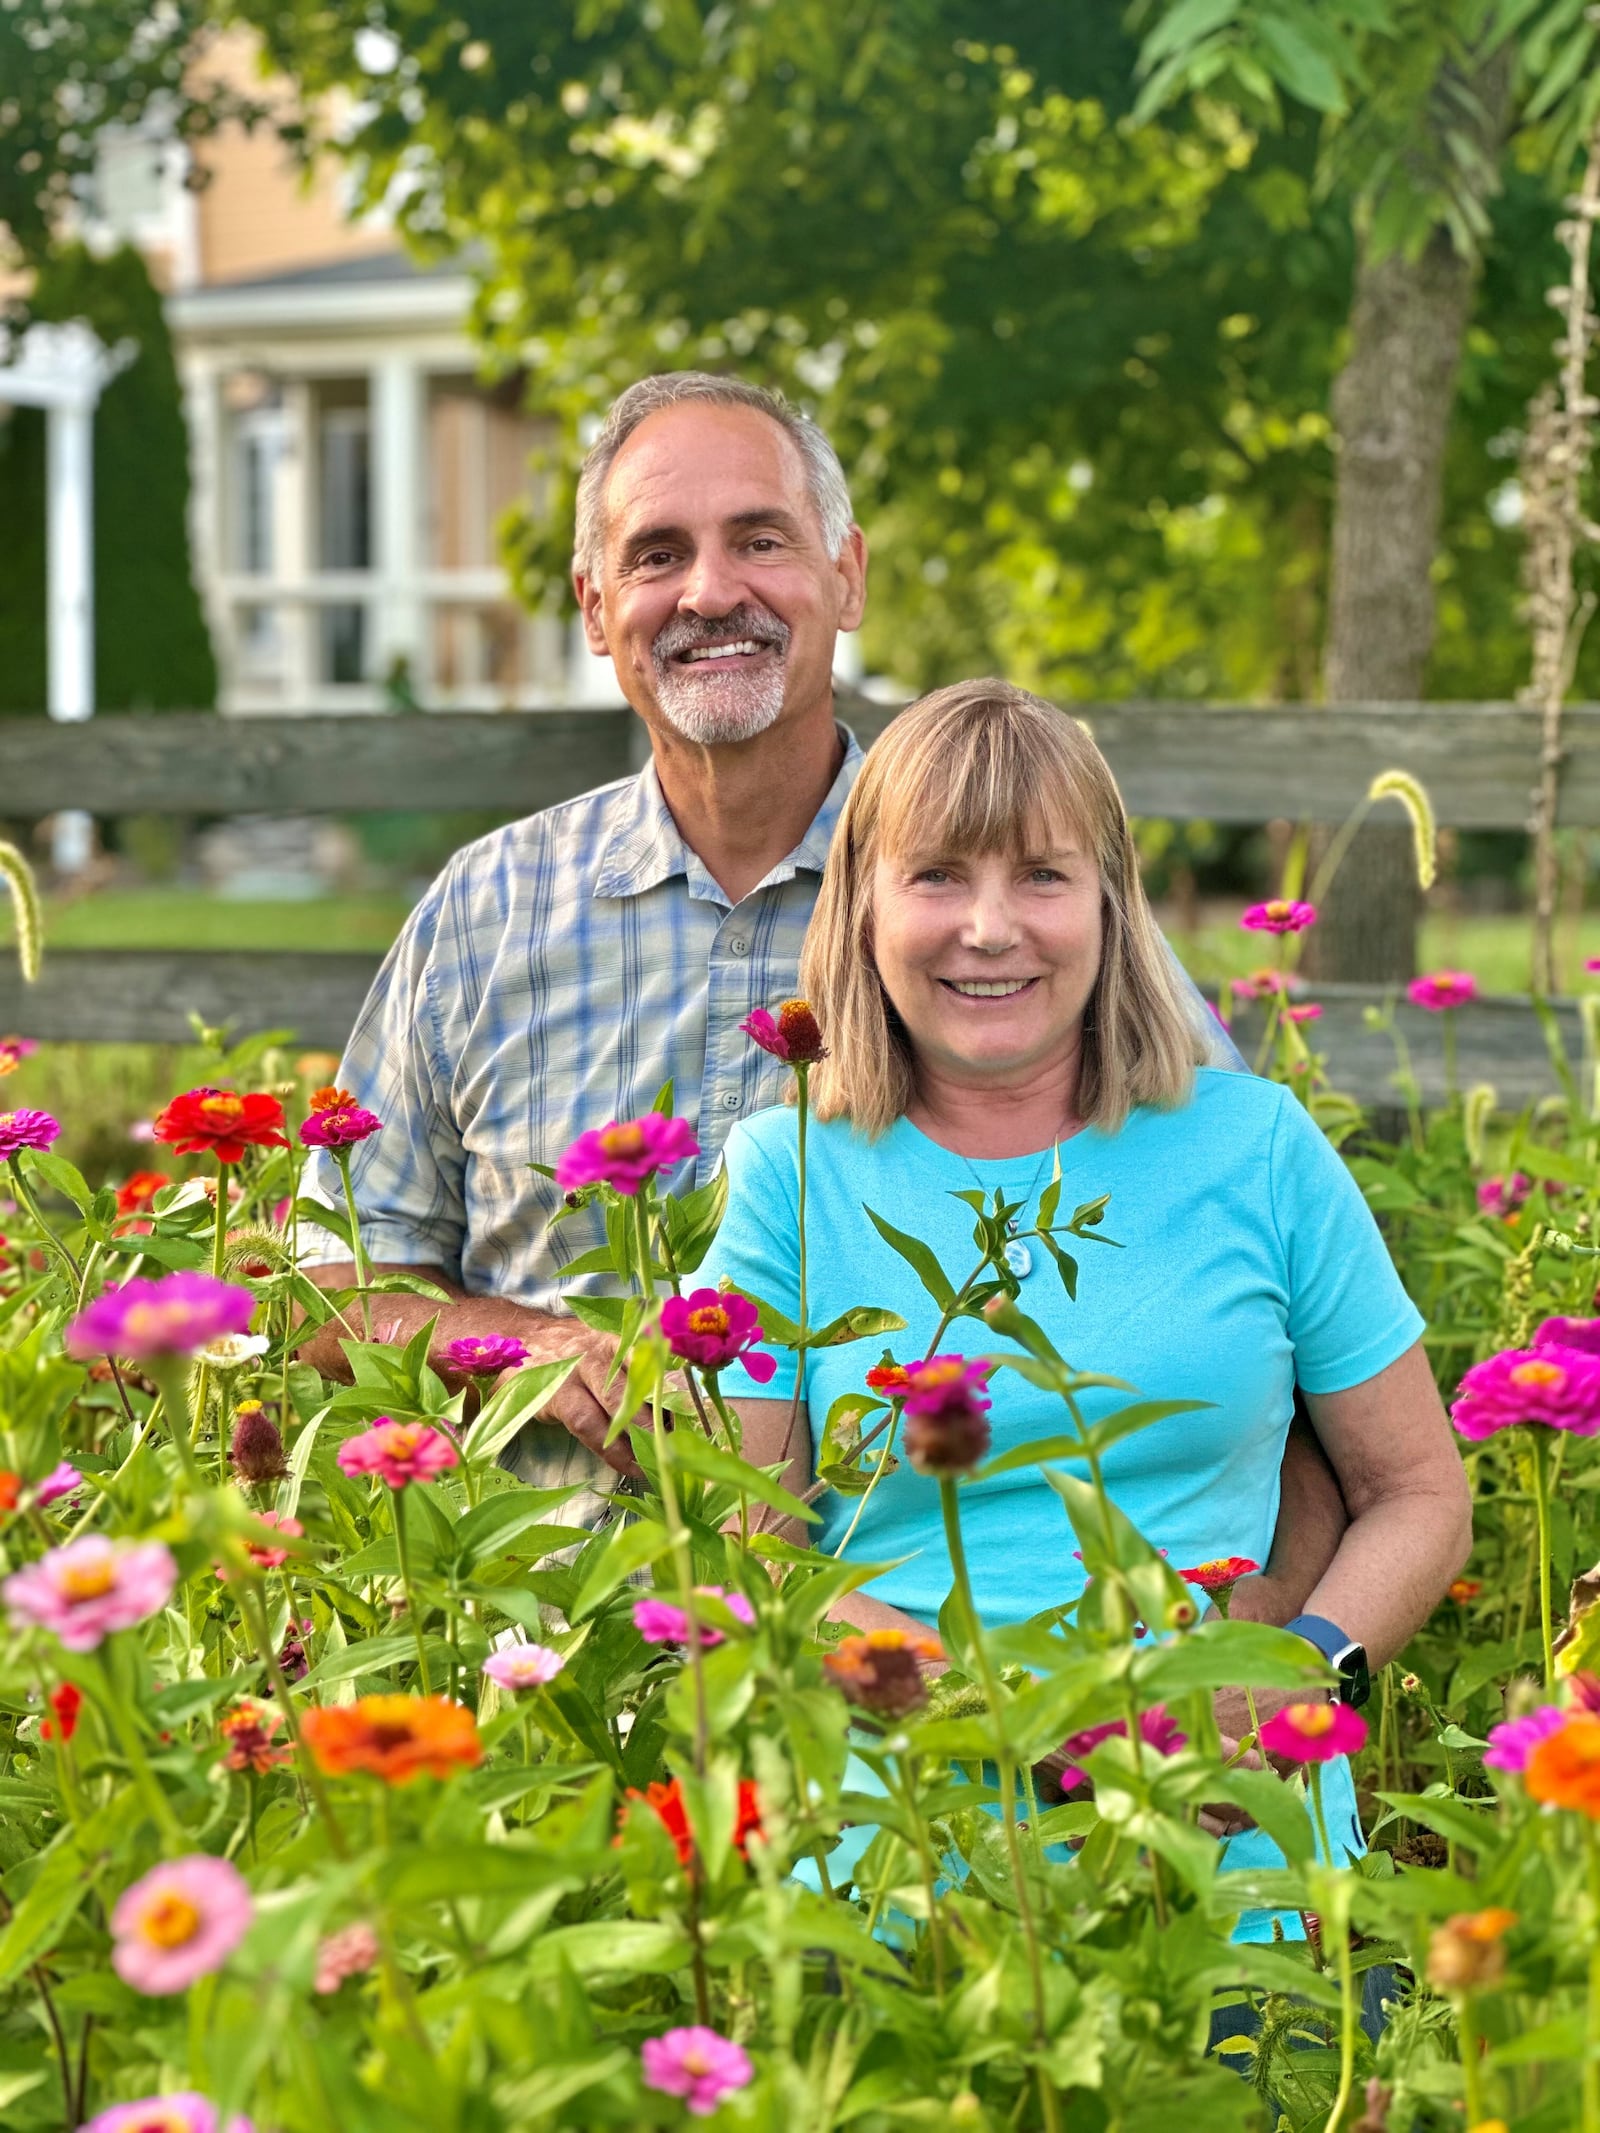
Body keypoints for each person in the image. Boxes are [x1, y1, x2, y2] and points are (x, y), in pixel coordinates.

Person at [296, 371, 1323, 1587]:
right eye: (655, 554)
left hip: (918, 1654)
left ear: (848, 575)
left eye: (760, 540)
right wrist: (520, 1345)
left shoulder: (993, 913)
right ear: (591, 605)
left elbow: (1256, 1268)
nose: (710, 591)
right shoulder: (484, 912)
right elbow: (331, 1277)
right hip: (544, 1644)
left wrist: (1272, 1654)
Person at [700, 679, 1472, 1912]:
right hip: (904, 1840)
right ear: (861, 908)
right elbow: (750, 1541)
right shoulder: (784, 1174)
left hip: (1228, 1838)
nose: (991, 928)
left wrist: (1301, 1667)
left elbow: (1416, 1490)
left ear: (1112, 906)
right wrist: (974, 1704)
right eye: (938, 875)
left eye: (1043, 877)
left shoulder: (1259, 1148)